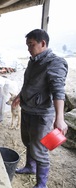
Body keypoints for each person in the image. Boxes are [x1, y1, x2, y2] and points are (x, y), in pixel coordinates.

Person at [12, 29, 68, 188]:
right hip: (28, 109)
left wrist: (60, 118)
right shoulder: (34, 60)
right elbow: (30, 83)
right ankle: (30, 167)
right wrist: (20, 95)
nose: (29, 48)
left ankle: (41, 184)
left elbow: (58, 90)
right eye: (27, 45)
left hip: (41, 115)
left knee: (40, 150)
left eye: (31, 44)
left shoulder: (55, 63)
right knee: (28, 142)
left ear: (43, 43)